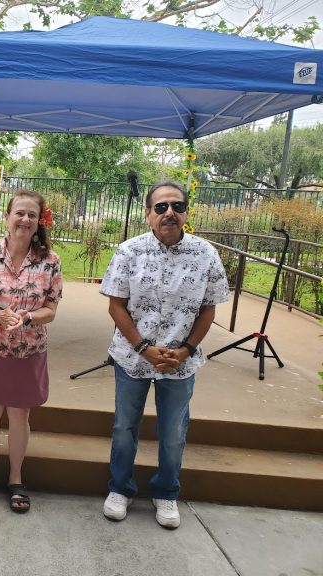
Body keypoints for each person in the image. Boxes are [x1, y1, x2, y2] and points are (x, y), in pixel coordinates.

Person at [100, 180, 229, 529]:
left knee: (173, 431)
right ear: (148, 214)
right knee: (125, 426)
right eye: (161, 207)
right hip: (132, 358)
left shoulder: (206, 254)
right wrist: (144, 348)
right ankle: (120, 489)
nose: (169, 213)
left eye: (177, 206)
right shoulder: (129, 251)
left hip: (180, 362)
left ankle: (166, 493)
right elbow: (116, 306)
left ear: (186, 213)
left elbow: (208, 309)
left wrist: (185, 350)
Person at [0, 190, 63, 514]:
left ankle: (16, 479)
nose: (25, 219)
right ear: (7, 217)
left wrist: (28, 317)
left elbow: (51, 309)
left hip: (27, 349)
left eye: (32, 215)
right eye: (19, 213)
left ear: (39, 222)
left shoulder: (51, 262)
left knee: (20, 414)